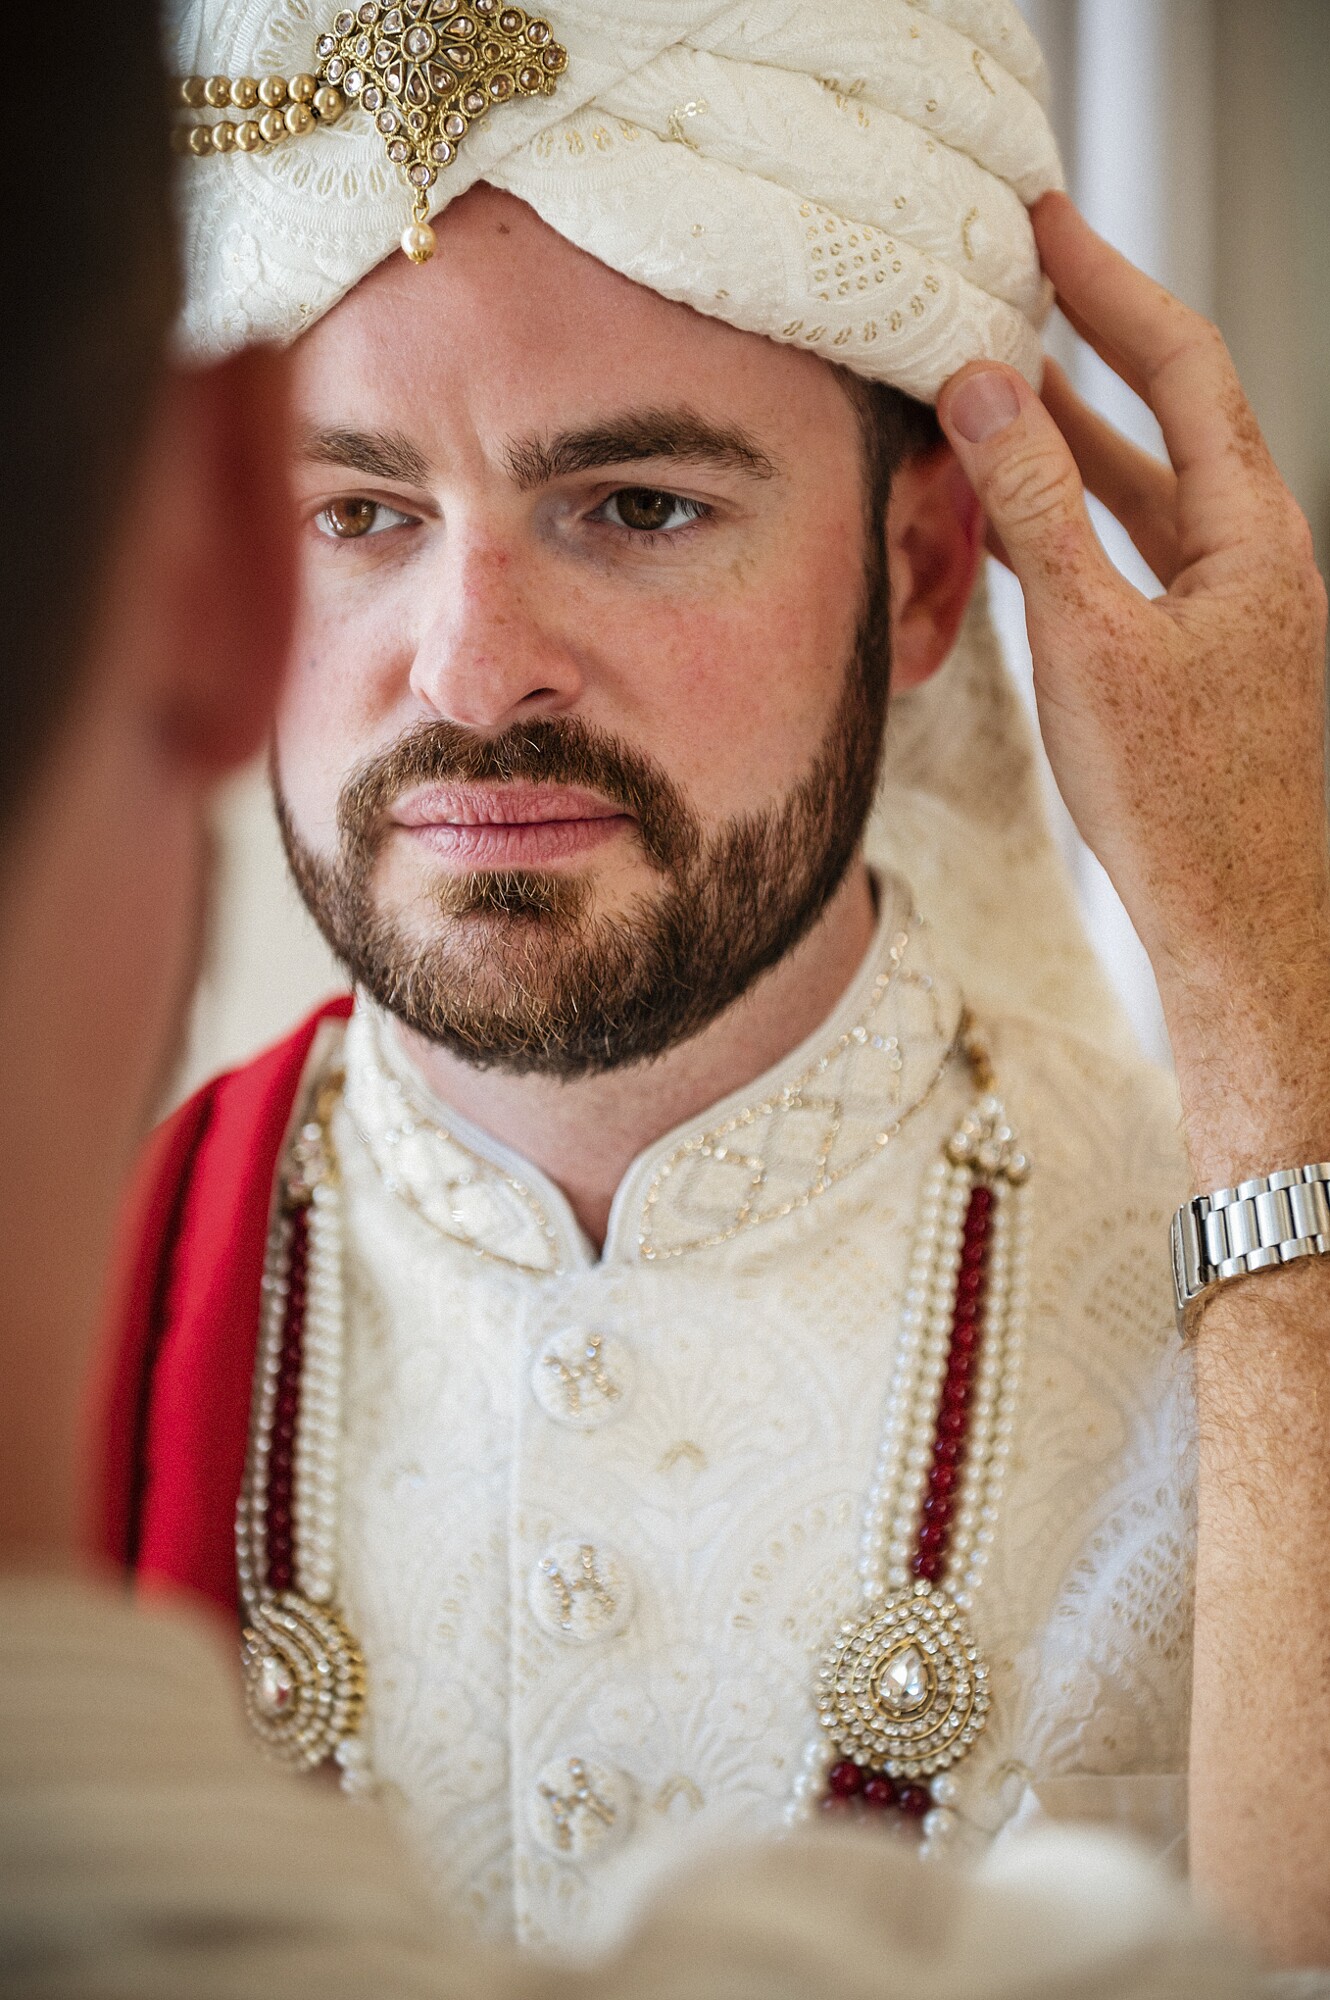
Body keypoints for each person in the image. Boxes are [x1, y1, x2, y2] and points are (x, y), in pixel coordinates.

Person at [2, 11, 1284, 1998]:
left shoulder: (1265, 1325)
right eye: (361, 513)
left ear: (922, 571)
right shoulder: (92, 1283)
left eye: (633, 506)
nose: (471, 669)